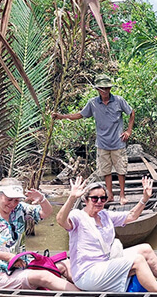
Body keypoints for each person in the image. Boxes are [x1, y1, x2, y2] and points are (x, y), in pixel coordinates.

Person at [57, 177, 157, 293]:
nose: (99, 202)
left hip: (105, 263)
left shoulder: (104, 215)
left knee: (145, 249)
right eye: (95, 198)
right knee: (137, 261)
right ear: (86, 200)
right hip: (88, 274)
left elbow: (132, 216)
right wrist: (72, 198)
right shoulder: (77, 216)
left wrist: (144, 199)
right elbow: (61, 220)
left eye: (103, 198)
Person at [0, 178, 78, 290]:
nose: (12, 204)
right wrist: (9, 257)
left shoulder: (19, 209)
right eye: (9, 199)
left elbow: (45, 213)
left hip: (20, 267)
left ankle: (90, 290)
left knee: (66, 264)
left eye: (16, 200)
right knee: (44, 277)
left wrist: (42, 199)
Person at [52, 74, 134, 204]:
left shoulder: (119, 100)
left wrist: (128, 131)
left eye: (107, 88)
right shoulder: (93, 103)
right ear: (98, 89)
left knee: (121, 170)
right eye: (102, 88)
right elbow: (80, 115)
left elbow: (131, 112)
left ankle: (122, 195)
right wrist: (61, 116)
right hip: (102, 143)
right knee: (105, 171)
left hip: (118, 142)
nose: (105, 91)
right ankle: (110, 195)